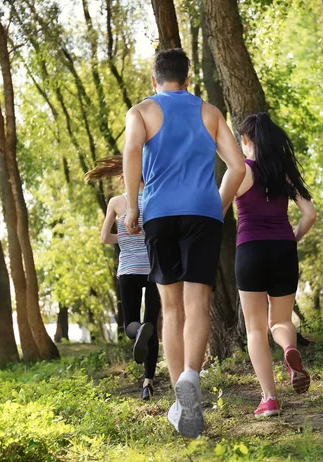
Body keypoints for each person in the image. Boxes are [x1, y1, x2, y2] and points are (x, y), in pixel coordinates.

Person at [122, 48, 245, 438]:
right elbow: (239, 167)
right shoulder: (209, 113)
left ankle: (180, 397)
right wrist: (218, 204)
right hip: (202, 214)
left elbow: (131, 152)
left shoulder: (141, 112)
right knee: (199, 304)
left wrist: (131, 208)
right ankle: (191, 376)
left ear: (154, 80)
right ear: (188, 80)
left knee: (170, 309)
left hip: (159, 213)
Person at [226, 112, 317, 418]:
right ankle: (290, 350)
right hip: (283, 250)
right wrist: (294, 237)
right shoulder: (284, 174)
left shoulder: (241, 171)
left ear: (246, 140)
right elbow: (310, 214)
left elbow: (218, 206)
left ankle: (270, 399)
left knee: (254, 328)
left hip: (251, 249)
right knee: (280, 321)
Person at [86, 159, 161, 401]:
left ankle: (138, 331)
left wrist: (126, 237)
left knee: (131, 324)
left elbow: (104, 237)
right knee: (153, 326)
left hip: (128, 268)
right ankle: (147, 383)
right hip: (153, 268)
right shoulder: (155, 197)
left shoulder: (117, 202)